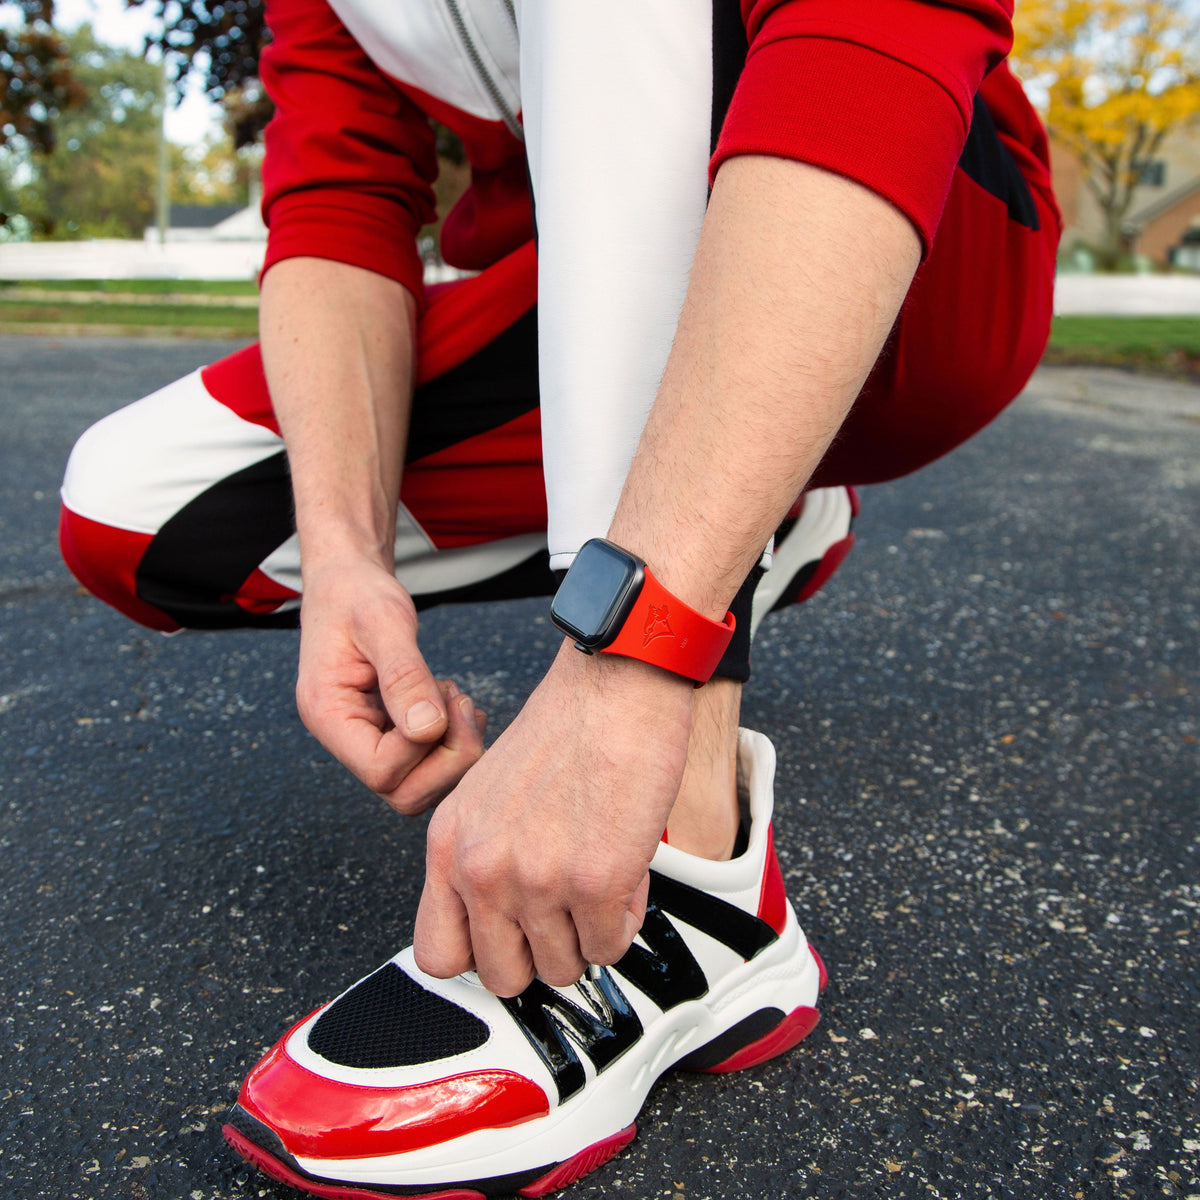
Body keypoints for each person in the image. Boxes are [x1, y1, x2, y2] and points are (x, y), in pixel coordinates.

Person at [59, 1, 1060, 1195]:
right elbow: (341, 203)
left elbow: (877, 27)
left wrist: (621, 672)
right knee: (129, 506)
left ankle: (687, 859)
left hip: (905, 232)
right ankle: (762, 510)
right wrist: (344, 554)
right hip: (583, 306)